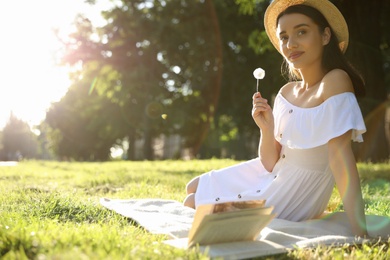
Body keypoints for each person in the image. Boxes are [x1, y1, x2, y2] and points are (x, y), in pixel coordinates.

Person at [183, 0, 368, 237]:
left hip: (294, 191)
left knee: (192, 203)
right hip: (271, 174)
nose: (291, 44)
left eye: (302, 32)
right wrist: (266, 129)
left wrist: (360, 231)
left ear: (325, 36)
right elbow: (270, 162)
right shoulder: (286, 92)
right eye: (284, 37)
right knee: (193, 188)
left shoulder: (335, 81)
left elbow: (341, 158)